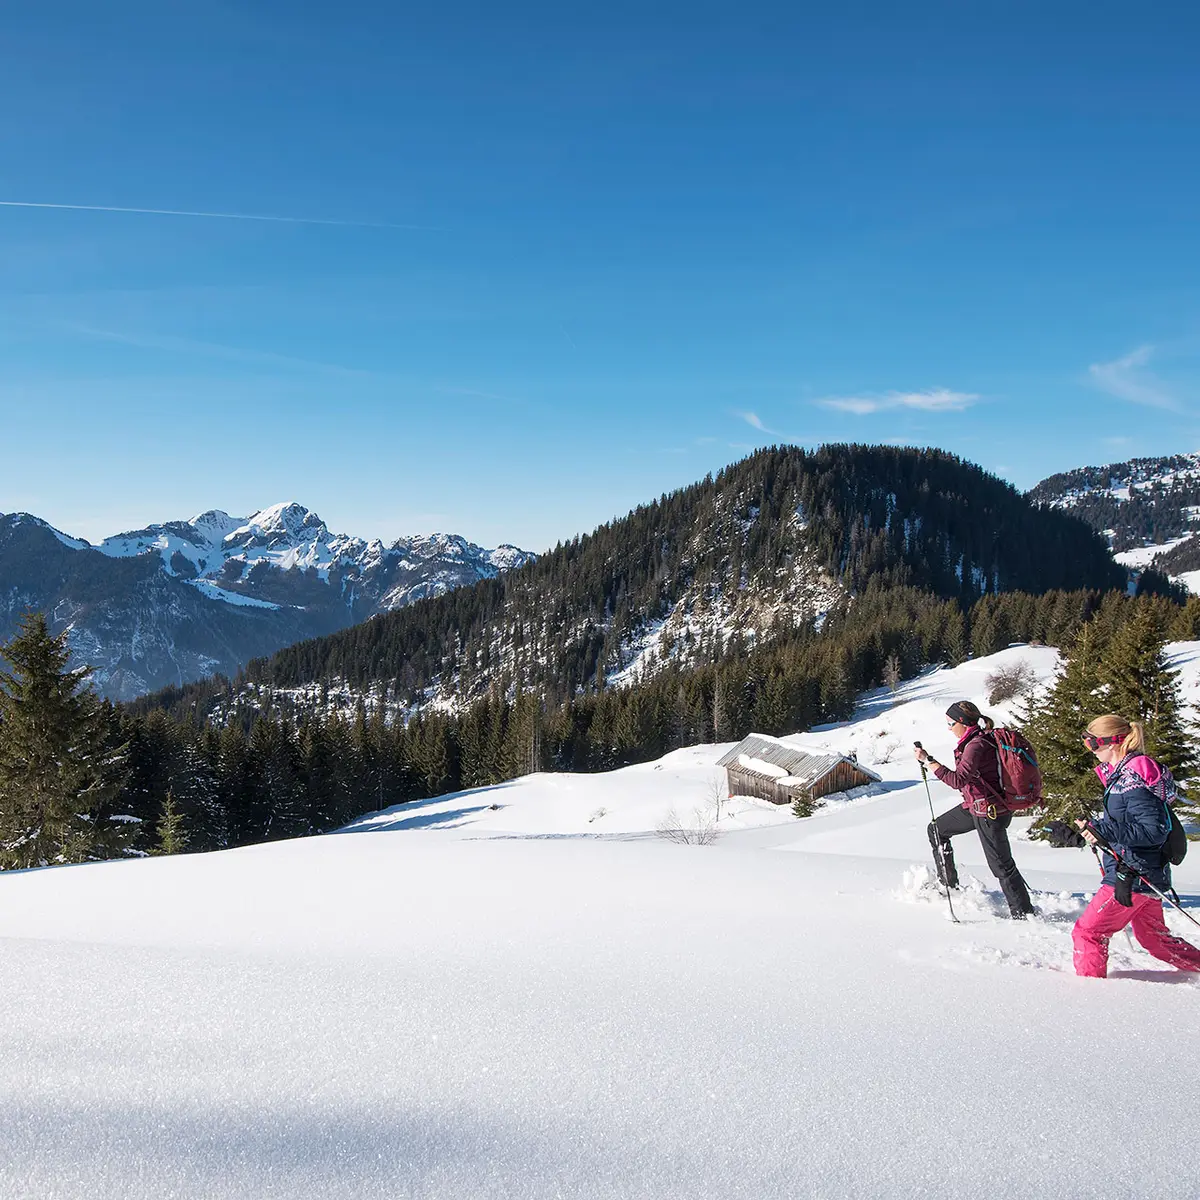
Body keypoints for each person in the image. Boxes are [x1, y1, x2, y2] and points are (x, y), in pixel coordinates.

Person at [1062, 714, 1200, 979]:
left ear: (1111, 743)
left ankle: (1089, 996)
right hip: (1141, 871)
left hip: (1133, 875)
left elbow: (1153, 831)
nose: (1091, 751)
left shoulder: (1132, 779)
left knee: (1088, 932)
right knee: (1156, 941)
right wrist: (1088, 831)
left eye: (1092, 744)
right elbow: (1126, 824)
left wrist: (1102, 828)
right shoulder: (1122, 776)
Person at [914, 700, 1035, 918]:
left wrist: (928, 762)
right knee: (937, 829)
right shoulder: (978, 740)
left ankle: (1023, 914)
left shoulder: (975, 745)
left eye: (950, 724)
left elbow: (958, 780)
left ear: (962, 722)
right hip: (977, 807)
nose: (949, 728)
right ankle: (948, 885)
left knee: (1001, 865)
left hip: (989, 812)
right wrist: (929, 760)